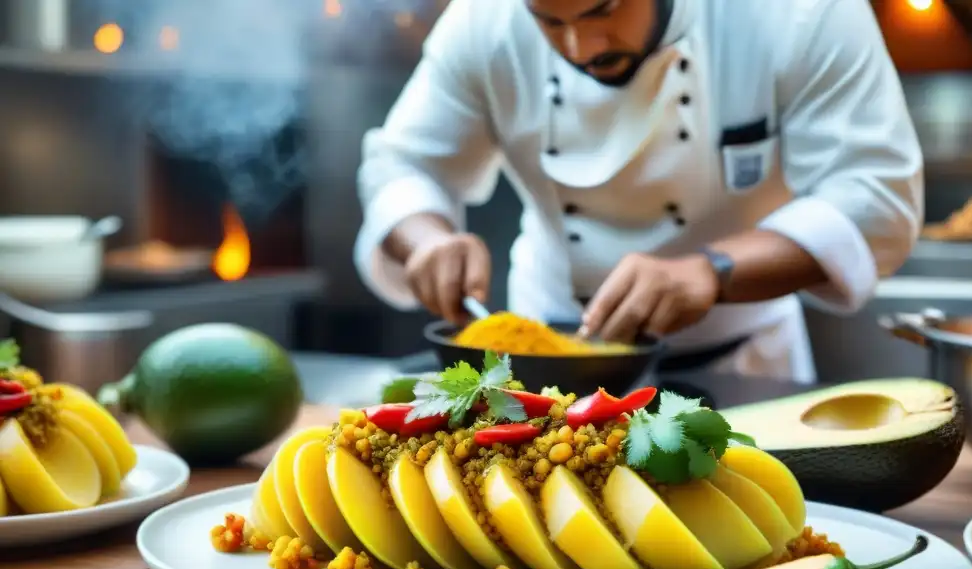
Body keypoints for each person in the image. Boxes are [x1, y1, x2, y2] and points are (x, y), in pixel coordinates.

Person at [354, 0, 923, 383]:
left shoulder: (798, 14)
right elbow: (404, 165)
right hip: (542, 368)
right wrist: (427, 240)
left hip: (743, 369)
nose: (580, 45)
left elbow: (876, 197)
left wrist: (711, 269)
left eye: (604, 8)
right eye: (549, 20)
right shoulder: (484, 20)